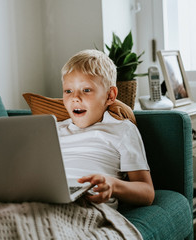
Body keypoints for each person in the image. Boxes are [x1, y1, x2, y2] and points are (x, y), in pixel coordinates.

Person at [58, 49, 155, 207]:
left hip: (89, 205)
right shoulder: (53, 129)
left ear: (110, 96)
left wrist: (113, 185)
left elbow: (147, 193)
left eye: (86, 90)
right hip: (49, 200)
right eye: (68, 91)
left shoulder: (122, 130)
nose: (75, 98)